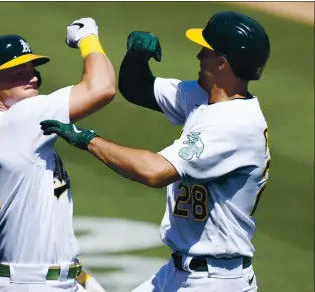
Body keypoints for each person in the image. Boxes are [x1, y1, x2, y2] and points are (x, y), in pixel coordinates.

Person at [39, 11, 271, 292]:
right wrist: (136, 58)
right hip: (180, 273)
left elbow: (155, 171)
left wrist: (87, 139)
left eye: (205, 51)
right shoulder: (204, 98)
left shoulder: (233, 124)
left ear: (222, 63)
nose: (198, 55)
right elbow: (138, 89)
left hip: (214, 280)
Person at [0, 17, 114, 292]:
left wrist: (80, 279)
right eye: (18, 72)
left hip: (37, 279)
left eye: (32, 69)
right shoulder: (18, 120)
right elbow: (102, 88)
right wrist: (88, 39)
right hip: (34, 284)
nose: (33, 76)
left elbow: (39, 224)